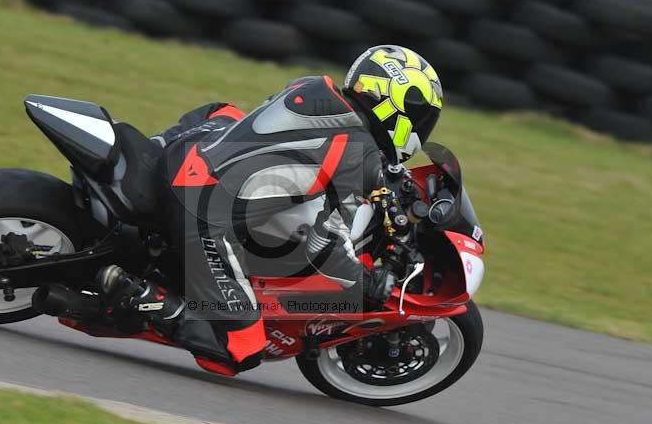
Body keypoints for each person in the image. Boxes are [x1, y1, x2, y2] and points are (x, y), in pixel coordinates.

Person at [96, 45, 444, 376]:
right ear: (396, 109)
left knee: (227, 111)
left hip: (188, 152)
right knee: (242, 349)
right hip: (200, 208)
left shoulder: (315, 88)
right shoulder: (358, 155)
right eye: (421, 119)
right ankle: (143, 296)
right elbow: (325, 243)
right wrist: (366, 283)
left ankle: (151, 152)